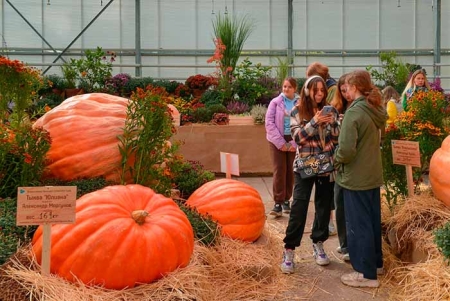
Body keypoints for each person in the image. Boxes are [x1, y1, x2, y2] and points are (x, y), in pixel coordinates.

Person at [280, 75, 340, 273]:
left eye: (323, 90)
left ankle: (318, 242)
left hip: (325, 166)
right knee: (299, 206)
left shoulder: (331, 110)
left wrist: (332, 123)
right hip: (305, 166)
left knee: (324, 207)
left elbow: (337, 137)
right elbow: (298, 138)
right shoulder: (297, 111)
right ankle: (289, 249)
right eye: (316, 90)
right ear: (307, 91)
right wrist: (314, 121)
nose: (320, 94)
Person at [334, 70, 387, 288]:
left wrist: (336, 159)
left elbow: (346, 150)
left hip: (356, 177)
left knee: (359, 224)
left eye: (346, 87)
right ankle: (375, 264)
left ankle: (366, 274)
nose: (345, 91)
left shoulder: (354, 113)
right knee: (372, 222)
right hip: (372, 175)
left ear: (355, 87)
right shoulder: (373, 109)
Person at [306, 62, 338, 235]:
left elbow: (332, 114)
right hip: (313, 152)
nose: (318, 93)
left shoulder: (331, 89)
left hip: (326, 147)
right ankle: (323, 223)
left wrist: (330, 120)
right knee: (320, 192)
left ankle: (327, 223)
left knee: (326, 192)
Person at [265, 77, 299, 217]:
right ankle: (278, 202)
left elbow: (303, 122)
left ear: (295, 89)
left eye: (289, 87)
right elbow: (269, 123)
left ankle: (286, 200)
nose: (286, 89)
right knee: (279, 170)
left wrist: (293, 143)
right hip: (276, 141)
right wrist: (280, 142)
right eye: (284, 86)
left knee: (291, 171)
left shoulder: (300, 103)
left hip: (293, 139)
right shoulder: (275, 102)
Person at [329, 73, 351, 262]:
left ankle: (350, 245)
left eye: (347, 89)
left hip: (349, 162)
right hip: (338, 161)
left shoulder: (357, 108)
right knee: (339, 203)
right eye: (342, 90)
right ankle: (344, 243)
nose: (345, 92)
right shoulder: (336, 107)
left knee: (349, 204)